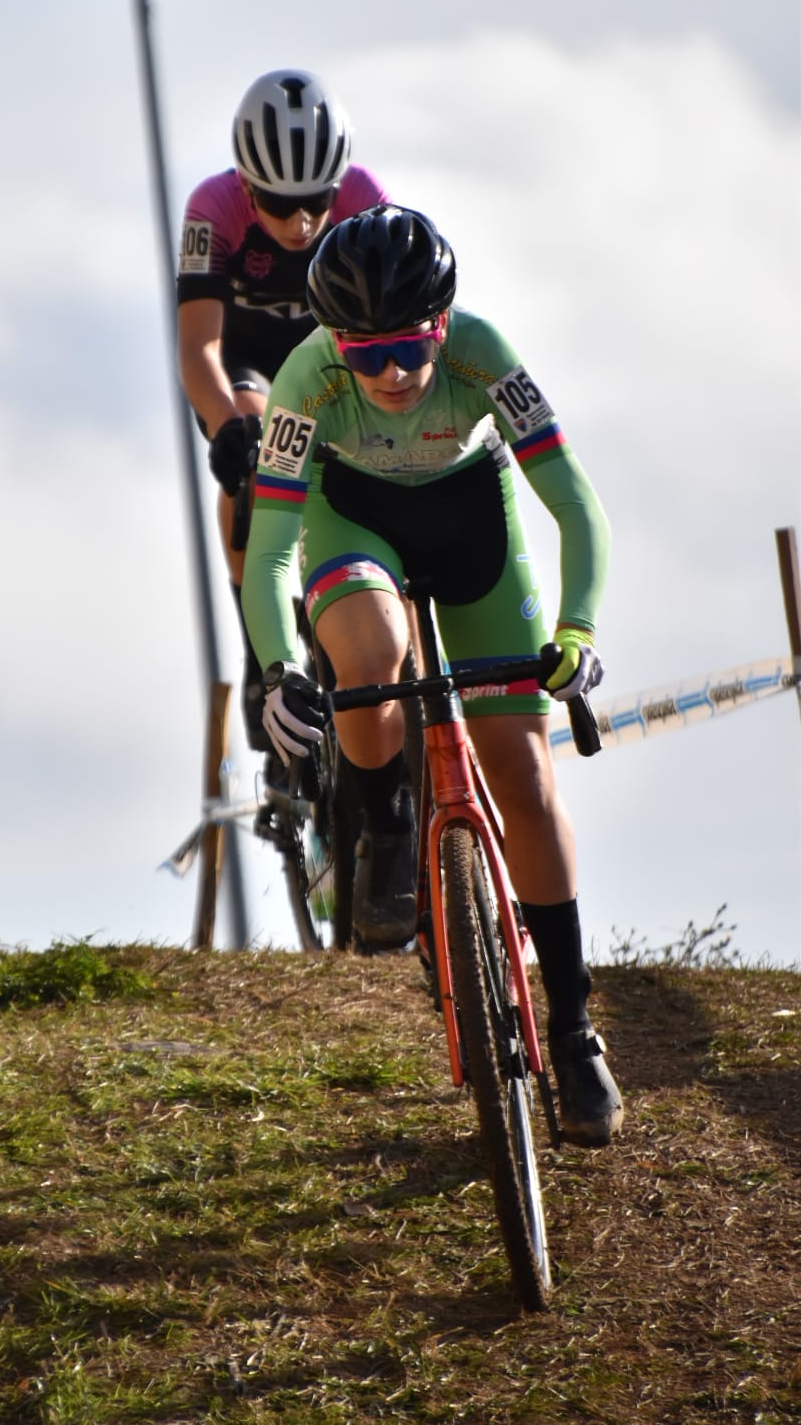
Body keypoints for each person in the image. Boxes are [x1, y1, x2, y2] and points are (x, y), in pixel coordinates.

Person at [240, 203, 623, 1148]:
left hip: (471, 516)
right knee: (369, 659)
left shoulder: (483, 352)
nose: (394, 374)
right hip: (352, 516)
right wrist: (281, 667)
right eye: (366, 357)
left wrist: (576, 628)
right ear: (336, 344)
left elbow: (574, 502)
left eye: (409, 349)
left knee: (526, 781)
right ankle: (386, 824)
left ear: (441, 328)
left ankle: (573, 1034)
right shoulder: (305, 378)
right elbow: (273, 546)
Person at [176, 69, 388, 751]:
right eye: (276, 203)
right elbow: (198, 347)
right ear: (246, 184)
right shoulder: (212, 208)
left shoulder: (364, 199)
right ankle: (258, 646)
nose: (299, 223)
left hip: (333, 359)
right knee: (254, 459)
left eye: (315, 202)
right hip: (247, 363)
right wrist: (228, 430)